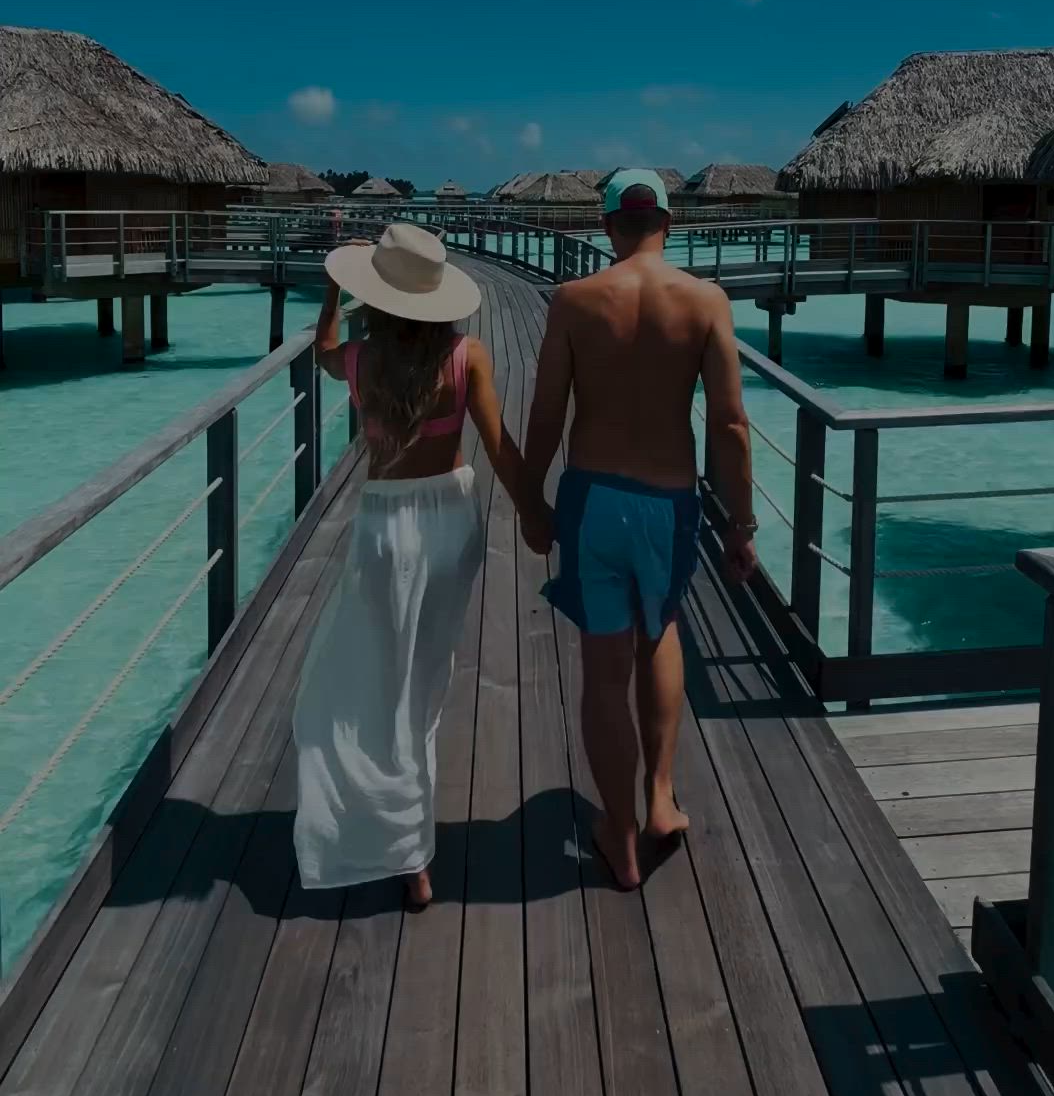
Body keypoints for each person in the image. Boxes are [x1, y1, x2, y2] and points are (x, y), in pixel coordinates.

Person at [293, 222, 552, 909]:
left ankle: (400, 849)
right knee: (423, 689)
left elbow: (321, 351)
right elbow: (499, 446)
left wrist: (331, 296)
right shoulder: (469, 358)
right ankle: (410, 847)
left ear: (374, 296)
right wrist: (535, 512)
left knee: (372, 686)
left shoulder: (357, 359)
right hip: (450, 531)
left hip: (385, 529)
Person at [524, 169, 756, 891]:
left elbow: (547, 413)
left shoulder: (573, 301)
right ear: (670, 221)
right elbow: (729, 425)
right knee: (660, 632)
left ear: (605, 227)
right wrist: (741, 524)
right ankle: (660, 800)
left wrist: (532, 499)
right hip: (670, 499)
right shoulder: (707, 301)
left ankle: (618, 835)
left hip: (593, 498)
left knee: (602, 666)